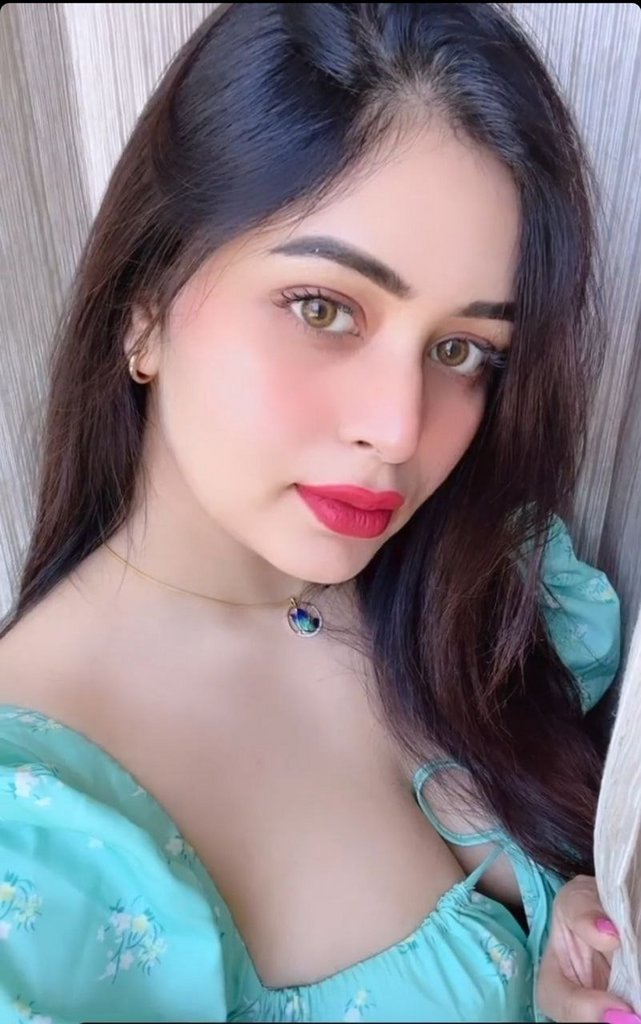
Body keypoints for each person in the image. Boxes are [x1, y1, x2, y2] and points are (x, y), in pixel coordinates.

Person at [0, 3, 632, 1022]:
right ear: (144, 307)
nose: (398, 427)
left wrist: (563, 930)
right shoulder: (33, 848)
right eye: (323, 308)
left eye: (461, 349)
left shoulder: (459, 591)